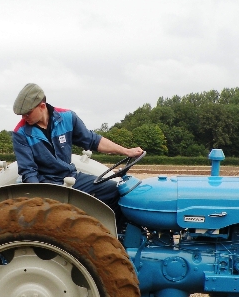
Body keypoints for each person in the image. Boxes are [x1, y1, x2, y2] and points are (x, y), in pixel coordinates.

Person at [11, 83, 143, 215]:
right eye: (22, 115)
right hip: (46, 183)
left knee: (114, 190)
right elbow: (28, 171)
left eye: (27, 113)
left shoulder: (67, 117)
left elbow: (93, 140)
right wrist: (39, 198)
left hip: (70, 176)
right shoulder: (20, 133)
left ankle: (114, 234)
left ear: (42, 106)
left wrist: (127, 151)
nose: (24, 118)